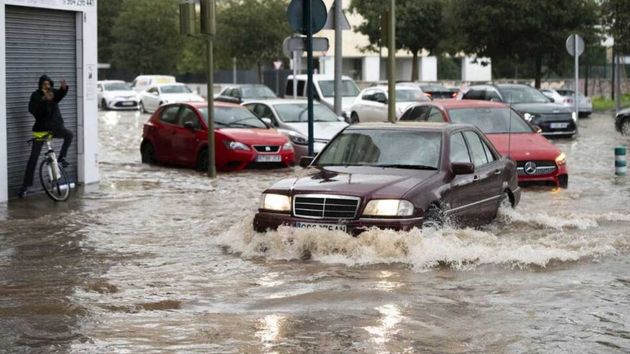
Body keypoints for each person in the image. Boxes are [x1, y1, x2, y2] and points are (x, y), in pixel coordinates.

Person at [18, 75, 73, 197]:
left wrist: (63, 89)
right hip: (41, 130)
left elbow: (59, 96)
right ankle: (25, 186)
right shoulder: (36, 95)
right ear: (40, 85)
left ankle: (61, 158)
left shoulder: (52, 93)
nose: (47, 86)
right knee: (34, 158)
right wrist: (43, 99)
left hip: (55, 127)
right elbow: (32, 110)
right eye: (44, 84)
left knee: (69, 135)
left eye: (48, 84)